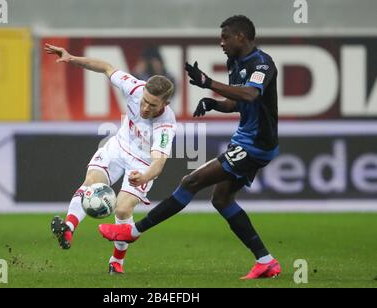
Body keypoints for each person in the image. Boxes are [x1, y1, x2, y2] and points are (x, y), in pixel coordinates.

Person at [98, 15, 281, 280]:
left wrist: (208, 83)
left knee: (191, 181)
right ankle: (266, 262)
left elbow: (252, 94)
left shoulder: (263, 64)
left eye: (225, 37)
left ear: (241, 36)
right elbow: (239, 102)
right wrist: (213, 103)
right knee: (221, 199)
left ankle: (133, 232)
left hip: (258, 144)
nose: (221, 43)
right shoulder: (236, 62)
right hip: (244, 138)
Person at [44, 43, 177, 274]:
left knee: (123, 210)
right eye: (144, 100)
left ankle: (117, 261)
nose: (145, 107)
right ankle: (68, 227)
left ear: (165, 104)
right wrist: (71, 57)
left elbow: (159, 162)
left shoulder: (165, 124)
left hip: (142, 164)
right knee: (91, 182)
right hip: (118, 147)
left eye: (152, 105)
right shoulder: (136, 87)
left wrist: (143, 176)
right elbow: (105, 67)